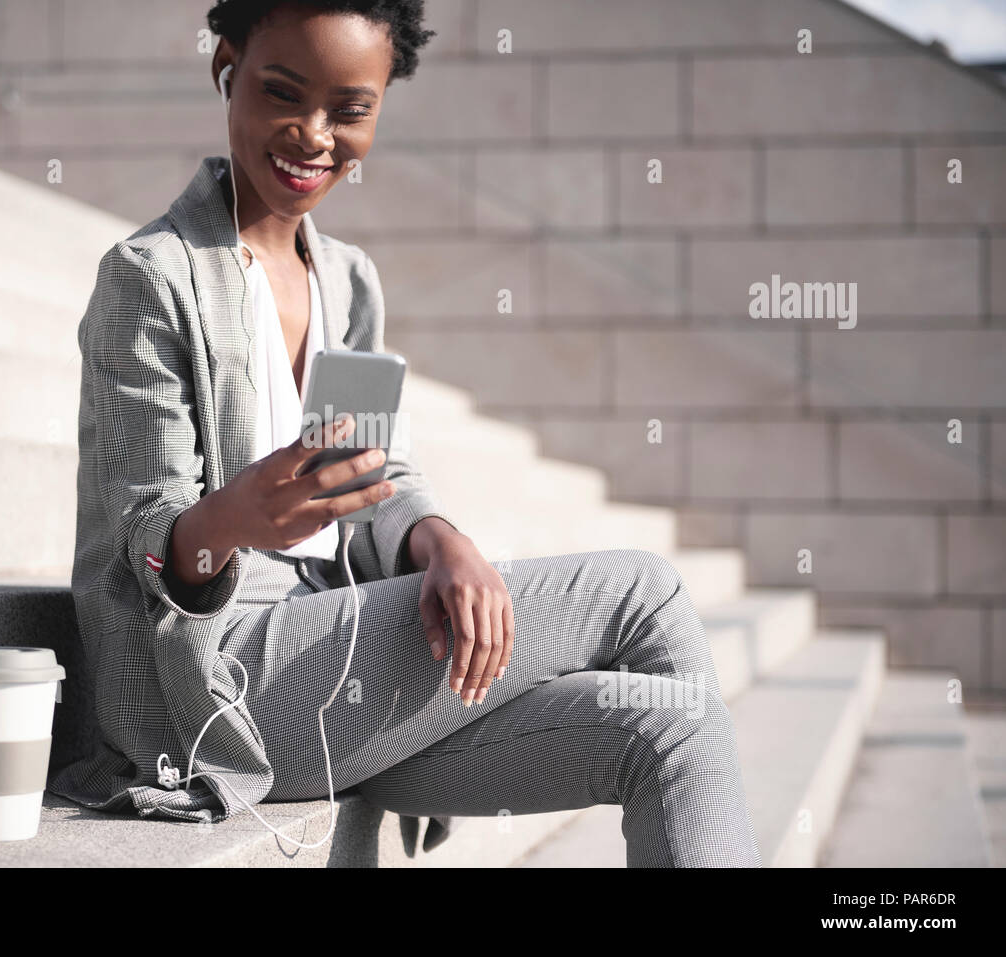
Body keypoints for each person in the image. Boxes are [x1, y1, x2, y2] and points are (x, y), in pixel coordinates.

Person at [48, 0, 762, 867]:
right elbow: (142, 540)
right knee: (642, 590)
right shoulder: (151, 278)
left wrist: (440, 538)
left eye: (351, 111)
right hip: (216, 682)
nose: (314, 136)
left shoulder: (347, 278)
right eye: (283, 94)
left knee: (670, 727)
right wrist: (233, 521)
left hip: (344, 672)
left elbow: (380, 474)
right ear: (225, 68)